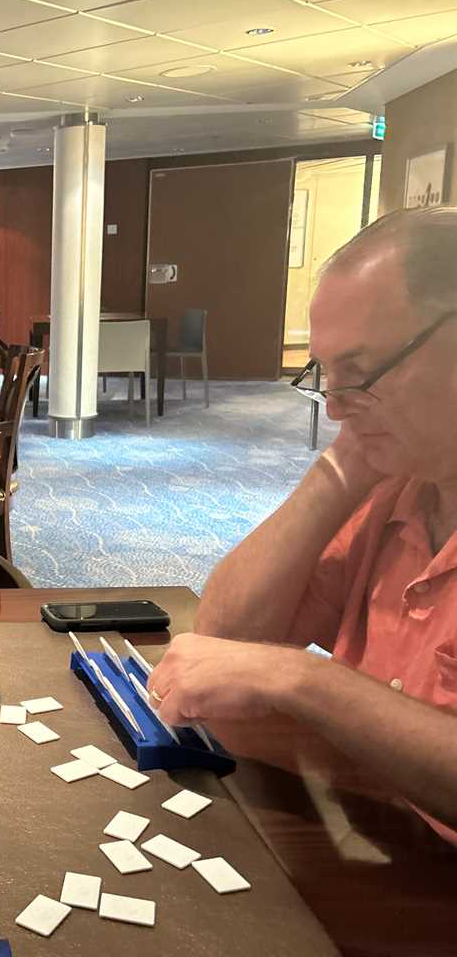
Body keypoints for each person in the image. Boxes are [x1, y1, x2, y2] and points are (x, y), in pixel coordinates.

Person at [145, 207, 457, 841]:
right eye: (325, 376)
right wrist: (340, 469)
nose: (336, 406)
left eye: (361, 370)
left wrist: (306, 680)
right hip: (371, 842)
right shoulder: (397, 481)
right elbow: (230, 632)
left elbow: (274, 667)